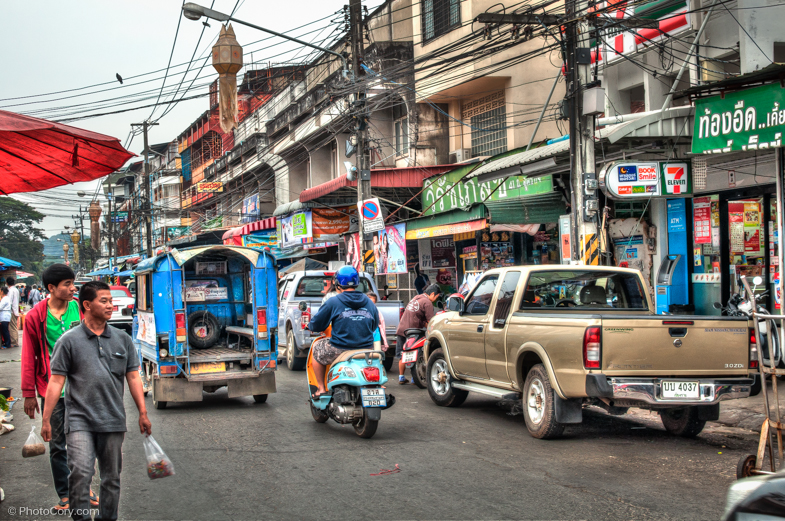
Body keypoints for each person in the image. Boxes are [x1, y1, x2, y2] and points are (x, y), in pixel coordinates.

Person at [42, 281, 151, 521]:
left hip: (113, 419)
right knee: (80, 473)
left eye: (111, 301)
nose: (111, 306)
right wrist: (47, 419)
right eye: (105, 301)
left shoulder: (122, 339)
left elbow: (133, 376)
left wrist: (143, 412)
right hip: (79, 419)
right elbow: (56, 381)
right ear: (87, 305)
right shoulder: (68, 341)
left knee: (111, 477)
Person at [21, 264, 88, 512]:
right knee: (58, 444)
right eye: (67, 284)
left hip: (82, 387)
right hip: (52, 389)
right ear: (51, 288)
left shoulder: (81, 308)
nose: (73, 288)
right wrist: (29, 393)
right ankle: (66, 492)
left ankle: (84, 487)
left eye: (73, 283)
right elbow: (29, 355)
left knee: (84, 440)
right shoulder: (36, 316)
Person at [307, 266, 379, 397]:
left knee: (317, 349)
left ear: (338, 283)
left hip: (339, 348)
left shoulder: (333, 302)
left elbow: (317, 324)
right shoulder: (369, 302)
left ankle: (321, 389)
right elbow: (374, 326)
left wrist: (310, 326)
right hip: (366, 349)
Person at [396, 284, 441, 384]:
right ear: (432, 294)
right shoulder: (428, 303)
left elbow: (417, 315)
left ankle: (401, 377)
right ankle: (414, 378)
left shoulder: (416, 298)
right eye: (436, 297)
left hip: (402, 330)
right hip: (414, 332)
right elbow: (430, 322)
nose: (434, 300)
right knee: (417, 354)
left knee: (402, 354)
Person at [6, 277, 20, 348]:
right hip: (15, 310)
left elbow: (10, 301)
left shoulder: (11, 290)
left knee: (12, 327)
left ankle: (14, 342)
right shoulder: (16, 290)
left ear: (7, 283)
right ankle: (15, 341)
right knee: (14, 327)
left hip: (12, 311)